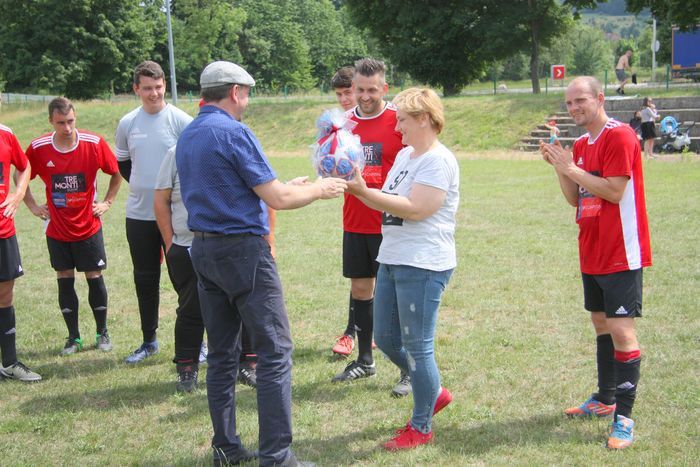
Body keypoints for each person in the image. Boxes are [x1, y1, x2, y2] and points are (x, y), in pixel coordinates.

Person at [176, 60, 346, 466]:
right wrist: (320, 189)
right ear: (235, 92)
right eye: (247, 93)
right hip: (243, 253)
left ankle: (225, 448)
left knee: (221, 354)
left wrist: (288, 186)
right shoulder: (234, 131)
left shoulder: (189, 133)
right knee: (274, 351)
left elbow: (238, 190)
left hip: (204, 250)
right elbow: (278, 200)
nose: (248, 101)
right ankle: (277, 456)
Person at [539, 76, 652, 450]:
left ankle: (625, 419)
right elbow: (576, 198)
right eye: (569, 103)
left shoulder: (619, 136)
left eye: (580, 101)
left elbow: (615, 191)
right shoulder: (581, 144)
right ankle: (605, 399)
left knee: (621, 330)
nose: (574, 108)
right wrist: (560, 167)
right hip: (591, 250)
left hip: (620, 251)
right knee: (601, 324)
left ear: (600, 98)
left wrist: (571, 168)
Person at [346, 87, 459, 450]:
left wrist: (363, 191)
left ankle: (421, 426)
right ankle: (433, 390)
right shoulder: (406, 155)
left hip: (423, 263)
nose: (397, 128)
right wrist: (359, 185)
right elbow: (390, 200)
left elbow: (416, 208)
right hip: (393, 257)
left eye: (403, 121)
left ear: (424, 119)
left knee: (417, 347)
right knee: (386, 338)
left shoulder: (438, 160)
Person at [154, 145, 272, 392]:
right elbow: (161, 199)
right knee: (191, 308)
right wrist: (170, 243)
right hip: (189, 244)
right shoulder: (178, 152)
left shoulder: (239, 147)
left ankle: (248, 363)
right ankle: (187, 367)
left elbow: (266, 193)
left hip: (238, 243)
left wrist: (269, 240)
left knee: (245, 305)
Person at [331, 58, 410, 399]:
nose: (364, 96)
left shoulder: (399, 121)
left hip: (391, 222)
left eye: (372, 90)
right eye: (360, 90)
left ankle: (409, 369)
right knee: (361, 289)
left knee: (399, 296)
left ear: (384, 88)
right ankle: (365, 360)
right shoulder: (343, 124)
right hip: (355, 220)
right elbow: (331, 164)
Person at [23, 97, 121, 355]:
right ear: (50, 121)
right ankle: (73, 337)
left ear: (75, 118)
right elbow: (21, 174)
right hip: (57, 229)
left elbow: (116, 171)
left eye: (70, 121)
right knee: (64, 278)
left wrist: (107, 202)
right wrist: (33, 206)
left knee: (94, 277)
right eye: (60, 123)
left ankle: (102, 332)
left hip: (88, 227)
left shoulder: (93, 143)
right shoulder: (39, 148)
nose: (67, 128)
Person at [115, 60, 193, 364]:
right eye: (147, 88)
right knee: (145, 279)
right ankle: (149, 341)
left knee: (184, 280)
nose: (154, 93)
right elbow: (124, 164)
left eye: (158, 87)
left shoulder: (181, 121)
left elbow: (192, 162)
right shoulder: (127, 123)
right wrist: (146, 188)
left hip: (175, 217)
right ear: (136, 89)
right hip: (138, 216)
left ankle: (196, 343)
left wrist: (167, 195)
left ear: (165, 86)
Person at [0, 123, 42, 382]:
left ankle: (9, 363)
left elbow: (24, 165)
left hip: (3, 229)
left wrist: (19, 193)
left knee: (5, 296)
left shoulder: (5, 134)